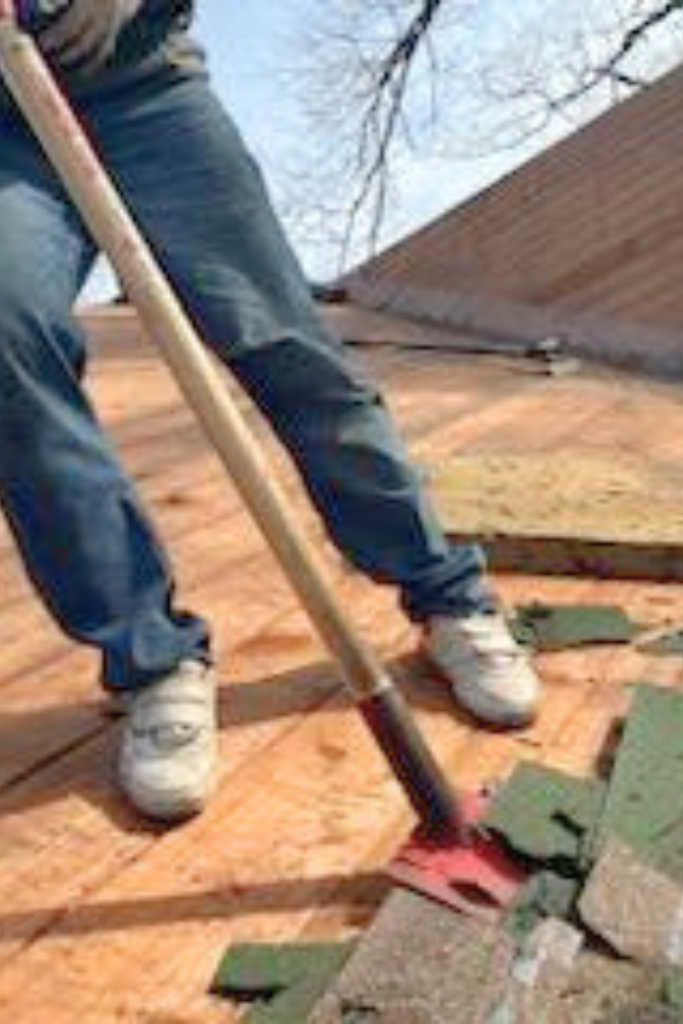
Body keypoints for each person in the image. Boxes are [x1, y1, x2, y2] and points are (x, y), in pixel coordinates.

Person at [0, 0, 541, 822]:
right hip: (7, 132)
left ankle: (446, 595)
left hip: (144, 89)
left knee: (285, 344)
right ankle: (154, 662)